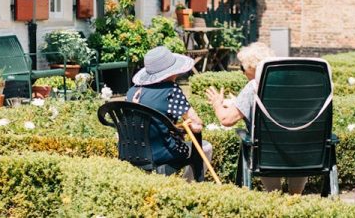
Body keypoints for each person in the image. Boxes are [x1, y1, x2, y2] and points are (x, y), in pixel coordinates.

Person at [204, 42, 308, 194]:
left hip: (269, 154)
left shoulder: (254, 86)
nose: (241, 72)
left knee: (262, 147)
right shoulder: (297, 85)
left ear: (253, 68)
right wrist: (238, 103)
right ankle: (295, 196)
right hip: (302, 153)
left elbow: (226, 120)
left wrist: (217, 104)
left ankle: (276, 196)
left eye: (242, 68)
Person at [127, 46, 212, 182]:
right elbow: (196, 123)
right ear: (171, 71)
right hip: (160, 153)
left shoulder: (131, 91)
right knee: (206, 147)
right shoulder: (170, 90)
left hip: (131, 152)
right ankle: (188, 187)